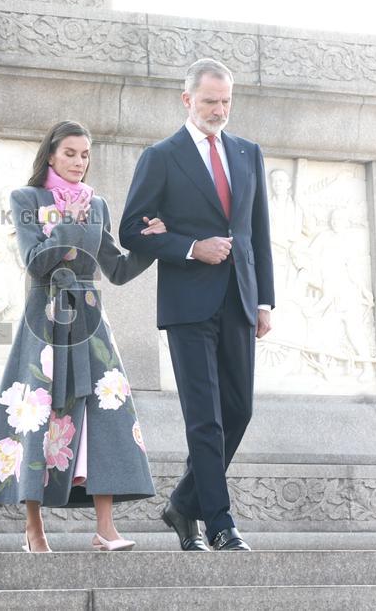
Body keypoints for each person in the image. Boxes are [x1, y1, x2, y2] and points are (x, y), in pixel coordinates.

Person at [0, 120, 165, 552]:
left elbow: (115, 269)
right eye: (71, 153)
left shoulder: (97, 204)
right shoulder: (26, 199)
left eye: (85, 155)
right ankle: (34, 529)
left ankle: (106, 528)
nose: (79, 162)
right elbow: (35, 261)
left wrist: (150, 246)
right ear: (51, 155)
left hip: (92, 322)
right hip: (45, 320)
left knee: (105, 411)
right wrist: (66, 224)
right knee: (36, 414)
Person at [119, 58, 275, 552]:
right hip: (188, 303)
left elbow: (258, 235)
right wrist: (190, 247)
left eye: (226, 101)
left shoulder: (249, 152)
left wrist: (265, 300)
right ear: (188, 99)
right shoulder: (161, 156)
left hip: (240, 300)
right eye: (210, 101)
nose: (219, 110)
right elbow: (130, 230)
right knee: (204, 417)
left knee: (240, 411)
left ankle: (182, 505)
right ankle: (219, 521)